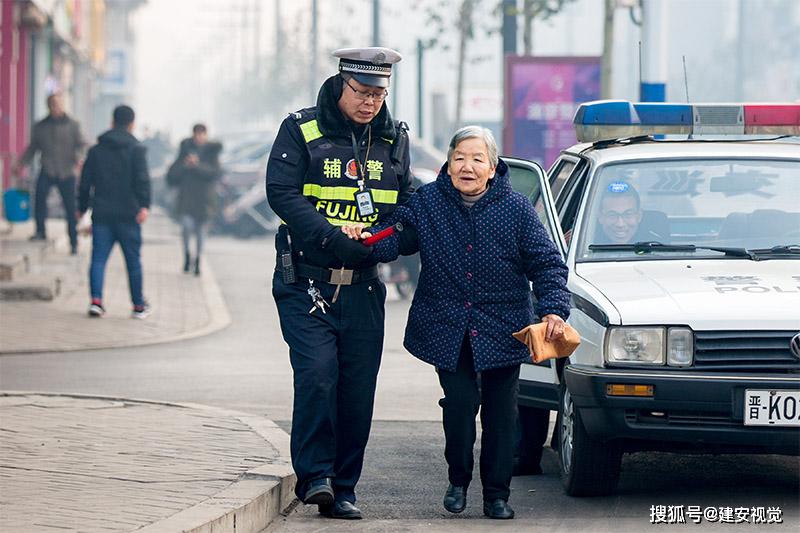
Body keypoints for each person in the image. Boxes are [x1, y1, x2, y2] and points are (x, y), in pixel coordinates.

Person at [343, 126, 571, 519]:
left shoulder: (516, 210)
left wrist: (553, 309)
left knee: (502, 413)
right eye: (459, 157)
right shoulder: (428, 202)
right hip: (447, 325)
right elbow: (395, 236)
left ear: (493, 166)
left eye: (477, 158)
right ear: (448, 164)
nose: (467, 166)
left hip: (503, 326)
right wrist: (362, 237)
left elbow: (548, 262)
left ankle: (497, 495)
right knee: (461, 404)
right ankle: (458, 479)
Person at [265, 47, 412, 520]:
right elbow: (282, 192)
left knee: (356, 389)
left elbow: (406, 205)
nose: (371, 102)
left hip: (365, 284)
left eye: (379, 94)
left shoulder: (393, 139)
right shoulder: (301, 128)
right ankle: (314, 476)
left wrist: (377, 240)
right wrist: (331, 236)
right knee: (317, 374)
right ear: (342, 83)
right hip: (306, 281)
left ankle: (344, 486)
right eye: (363, 92)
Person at [77, 105, 151, 319]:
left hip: (102, 215)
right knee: (133, 262)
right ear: (132, 124)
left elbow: (85, 184)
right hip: (129, 215)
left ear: (112, 122)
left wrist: (82, 208)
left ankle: (96, 302)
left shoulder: (96, 150)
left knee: (98, 259)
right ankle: (138, 306)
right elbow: (143, 181)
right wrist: (144, 206)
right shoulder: (137, 150)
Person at [13, 93, 86, 254]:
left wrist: (79, 159)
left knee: (70, 207)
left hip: (67, 171)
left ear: (63, 104)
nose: (56, 107)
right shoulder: (40, 127)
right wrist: (21, 164)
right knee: (39, 198)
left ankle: (73, 242)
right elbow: (32, 148)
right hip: (47, 169)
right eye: (52, 104)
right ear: (48, 106)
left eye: (58, 104)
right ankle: (40, 231)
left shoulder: (74, 125)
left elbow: (81, 145)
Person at [166, 123, 223, 275]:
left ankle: (198, 259)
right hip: (186, 198)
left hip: (204, 200)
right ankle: (186, 255)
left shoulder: (212, 152)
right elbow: (172, 175)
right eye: (196, 134)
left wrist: (197, 165)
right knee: (186, 227)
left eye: (202, 134)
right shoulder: (184, 150)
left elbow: (215, 173)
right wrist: (185, 165)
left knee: (200, 232)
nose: (199, 137)